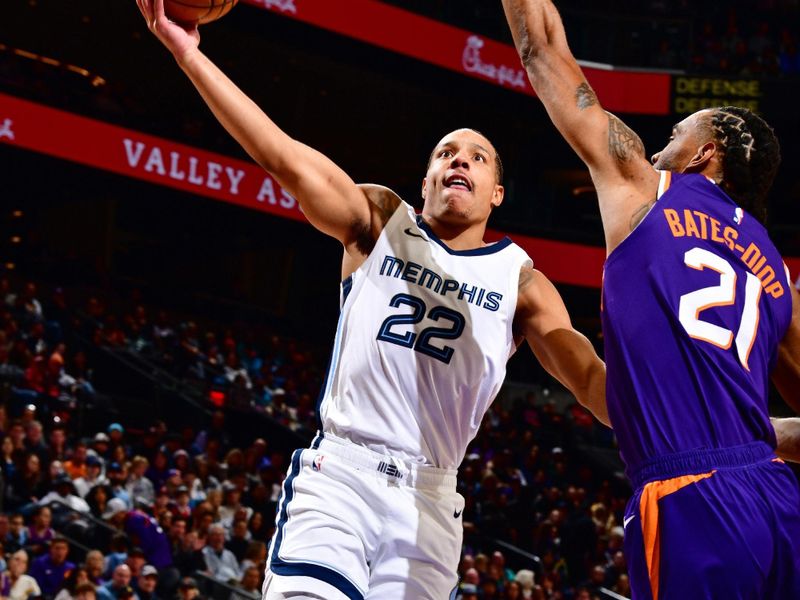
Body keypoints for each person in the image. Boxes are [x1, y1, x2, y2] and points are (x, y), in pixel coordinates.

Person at [135, 0, 607, 597]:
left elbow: (590, 378)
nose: (459, 159)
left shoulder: (521, 280)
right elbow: (280, 154)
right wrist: (189, 55)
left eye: (476, 157)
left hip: (429, 501)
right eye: (445, 154)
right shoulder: (381, 220)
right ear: (427, 181)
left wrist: (696, 433)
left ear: (497, 194)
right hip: (344, 477)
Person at [500, 1, 800, 598]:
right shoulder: (776, 272)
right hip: (778, 502)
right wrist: (757, 436)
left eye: (675, 135)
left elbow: (541, 48)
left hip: (693, 497)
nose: (662, 146)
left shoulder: (644, 187)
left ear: (702, 154)